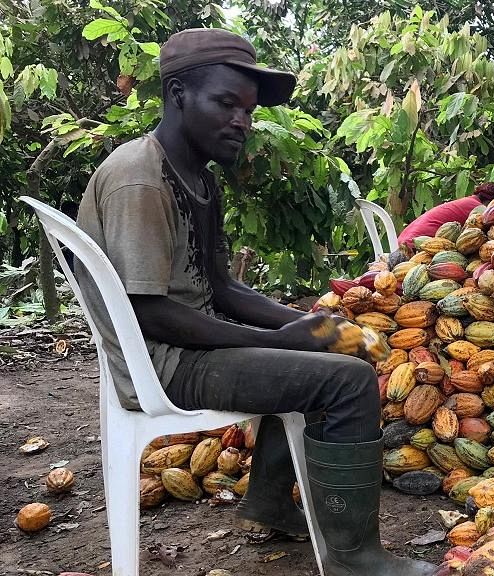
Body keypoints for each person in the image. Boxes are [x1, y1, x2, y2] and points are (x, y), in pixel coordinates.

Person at [73, 28, 433, 576]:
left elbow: (222, 288)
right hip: (162, 361)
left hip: (190, 346)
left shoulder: (197, 177)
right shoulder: (139, 179)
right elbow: (147, 311)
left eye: (247, 109)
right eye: (225, 104)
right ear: (177, 96)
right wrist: (273, 340)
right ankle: (355, 557)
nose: (242, 121)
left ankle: (268, 499)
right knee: (347, 382)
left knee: (331, 352)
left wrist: (308, 323)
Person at [396, 181, 494, 248]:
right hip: (414, 244)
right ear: (492, 201)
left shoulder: (468, 201)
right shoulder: (477, 207)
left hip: (403, 240)